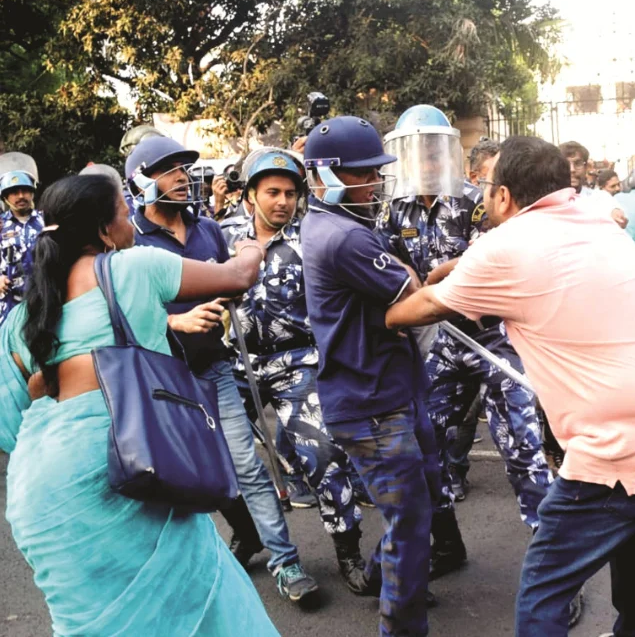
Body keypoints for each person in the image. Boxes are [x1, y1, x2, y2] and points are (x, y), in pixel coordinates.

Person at [384, 135, 635, 637]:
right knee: (633, 529)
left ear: (503, 196)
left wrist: (382, 304)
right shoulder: (591, 219)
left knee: (544, 584)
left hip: (627, 444)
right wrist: (436, 272)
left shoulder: (504, 247)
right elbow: (465, 268)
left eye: (486, 185)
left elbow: (415, 310)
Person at [0, 174, 278, 636]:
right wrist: (253, 244)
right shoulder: (135, 266)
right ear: (104, 231)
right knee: (204, 602)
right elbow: (238, 277)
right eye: (125, 215)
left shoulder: (22, 317)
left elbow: (9, 421)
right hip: (125, 473)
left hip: (40, 498)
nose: (132, 224)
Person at [126, 136, 318, 600]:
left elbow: (231, 284)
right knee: (176, 479)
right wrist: (174, 320)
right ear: (140, 181)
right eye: (168, 169)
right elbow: (121, 312)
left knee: (248, 468)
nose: (182, 177)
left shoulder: (208, 230)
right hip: (160, 380)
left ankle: (285, 563)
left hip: (214, 368)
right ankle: (191, 569)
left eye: (184, 168)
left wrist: (227, 294)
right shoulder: (128, 239)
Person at [378, 105, 551, 571]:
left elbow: (492, 258)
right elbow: (389, 264)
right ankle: (446, 544)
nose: (427, 165)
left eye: (435, 155)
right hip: (445, 342)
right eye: (418, 155)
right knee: (425, 442)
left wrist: (435, 278)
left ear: (449, 155)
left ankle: (556, 574)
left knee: (523, 451)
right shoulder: (395, 210)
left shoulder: (478, 202)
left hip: (496, 338)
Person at [301, 115, 439, 637]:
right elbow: (416, 298)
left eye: (375, 172)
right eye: (362, 174)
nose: (375, 182)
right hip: (372, 402)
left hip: (388, 389)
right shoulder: (344, 238)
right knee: (410, 522)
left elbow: (408, 284)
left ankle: (387, 574)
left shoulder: (345, 226)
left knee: (419, 503)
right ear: (325, 176)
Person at [221, 148, 368, 593]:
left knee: (322, 454)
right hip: (235, 364)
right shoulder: (222, 235)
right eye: (271, 192)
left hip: (296, 361)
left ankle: (349, 550)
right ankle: (248, 532)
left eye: (290, 193)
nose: (282, 201)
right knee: (218, 459)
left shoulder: (313, 238)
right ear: (250, 195)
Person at [0, 169, 44, 325]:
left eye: (25, 190)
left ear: (32, 193)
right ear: (5, 197)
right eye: (14, 192)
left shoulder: (46, 220)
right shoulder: (1, 225)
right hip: (10, 303)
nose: (20, 196)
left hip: (44, 298)